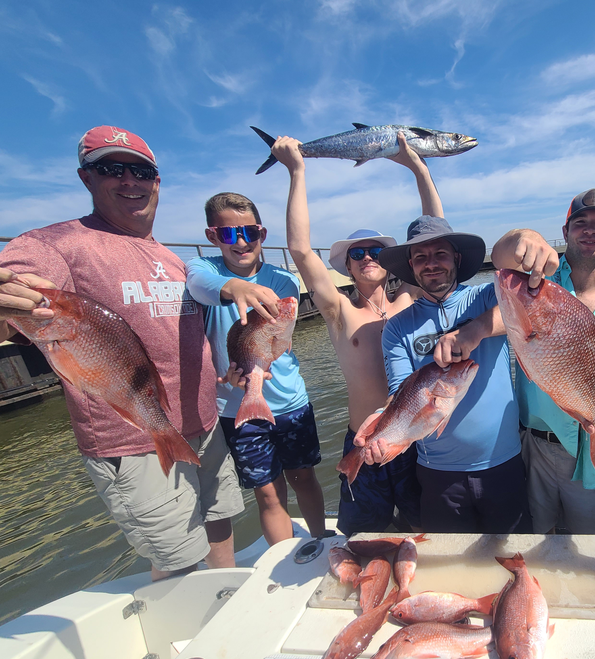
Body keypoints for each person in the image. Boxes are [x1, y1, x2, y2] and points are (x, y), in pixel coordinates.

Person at [0, 125, 243, 580]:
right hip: (134, 442)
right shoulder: (54, 245)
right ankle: (189, 640)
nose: (129, 180)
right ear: (86, 177)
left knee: (220, 526)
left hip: (204, 425)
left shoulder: (170, 258)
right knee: (177, 560)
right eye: (112, 168)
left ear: (157, 181)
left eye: (142, 171)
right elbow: (16, 299)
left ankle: (229, 613)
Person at [271, 133, 441, 536]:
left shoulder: (411, 301)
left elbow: (436, 233)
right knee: (363, 537)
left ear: (391, 262)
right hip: (364, 441)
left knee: (425, 532)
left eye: (376, 252)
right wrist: (297, 171)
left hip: (414, 438)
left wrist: (419, 168)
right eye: (358, 253)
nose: (368, 257)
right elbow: (299, 250)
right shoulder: (339, 311)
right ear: (346, 266)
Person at [366, 215, 533, 533]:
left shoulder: (483, 298)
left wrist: (478, 329)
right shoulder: (397, 328)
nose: (431, 264)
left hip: (504, 463)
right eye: (421, 258)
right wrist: (379, 423)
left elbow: (523, 303)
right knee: (450, 571)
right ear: (411, 267)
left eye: (440, 253)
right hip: (437, 473)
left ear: (456, 258)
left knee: (513, 562)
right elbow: (401, 392)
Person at [185, 191, 330, 544]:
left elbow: (282, 339)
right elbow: (198, 285)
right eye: (229, 234)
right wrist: (235, 286)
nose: (242, 242)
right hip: (235, 404)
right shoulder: (202, 270)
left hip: (288, 401)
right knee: (267, 494)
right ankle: (283, 564)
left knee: (304, 479)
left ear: (262, 234)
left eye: (251, 233)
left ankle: (323, 544)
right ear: (212, 236)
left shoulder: (281, 278)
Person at [491, 189, 595, 540]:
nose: (590, 230)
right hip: (533, 447)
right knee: (533, 542)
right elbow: (501, 259)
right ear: (566, 230)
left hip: (590, 452)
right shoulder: (541, 284)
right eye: (580, 222)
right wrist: (524, 238)